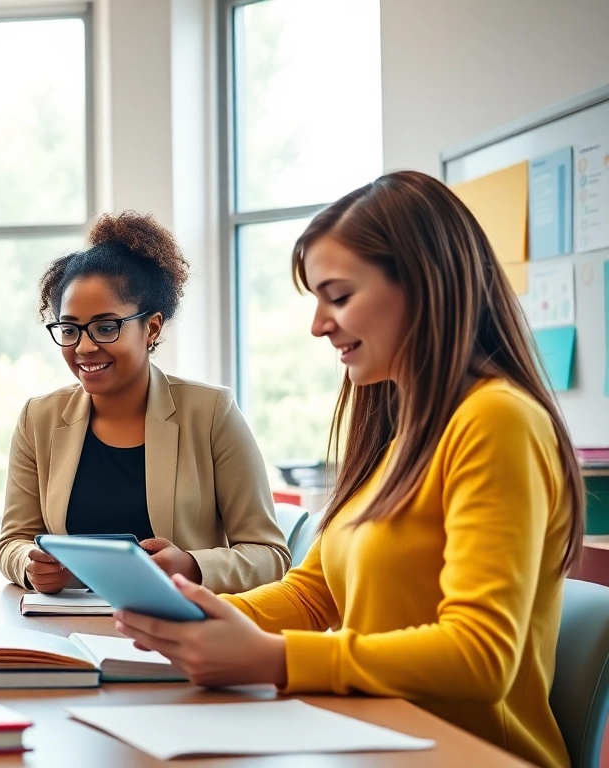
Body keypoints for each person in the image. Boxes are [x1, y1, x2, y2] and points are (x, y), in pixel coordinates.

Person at [114, 171, 585, 768]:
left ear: (424, 285)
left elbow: (480, 657)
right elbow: (316, 596)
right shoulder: (401, 433)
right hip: (373, 737)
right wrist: (189, 617)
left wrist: (276, 660)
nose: (318, 324)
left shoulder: (497, 421)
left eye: (338, 296)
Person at [0, 212, 290, 595]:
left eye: (106, 327)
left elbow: (271, 555)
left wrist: (193, 566)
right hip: (66, 626)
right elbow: (12, 541)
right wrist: (30, 566)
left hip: (177, 632)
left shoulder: (211, 413)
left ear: (150, 328)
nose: (84, 347)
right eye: (69, 330)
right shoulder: (40, 418)